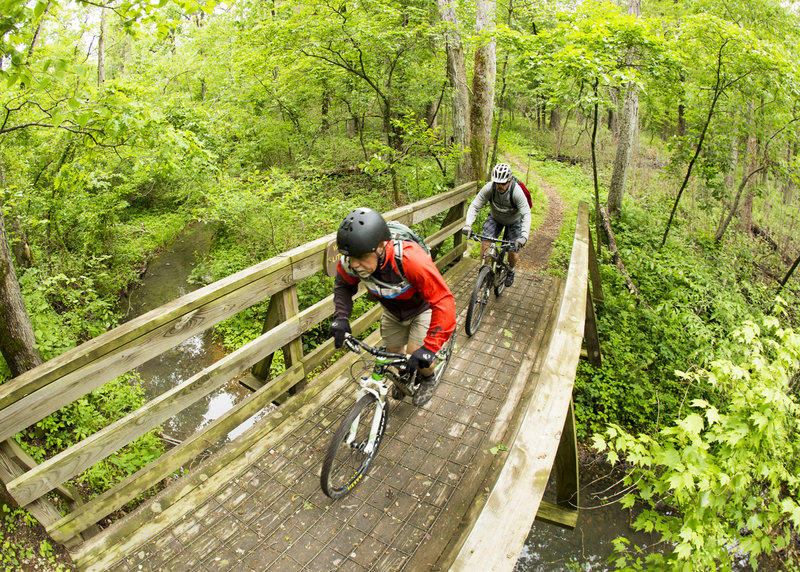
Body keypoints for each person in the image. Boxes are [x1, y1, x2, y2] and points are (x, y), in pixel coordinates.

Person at [330, 207, 456, 407]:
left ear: (380, 247)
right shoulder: (349, 262)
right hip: (392, 310)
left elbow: (443, 300)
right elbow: (343, 286)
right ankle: (403, 378)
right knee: (393, 355)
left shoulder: (409, 259)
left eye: (361, 257)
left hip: (422, 309)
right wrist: (341, 318)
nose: (354, 264)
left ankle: (428, 379)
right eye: (350, 257)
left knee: (418, 354)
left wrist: (430, 348)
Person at [462, 163, 532, 287]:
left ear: (509, 181)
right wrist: (468, 224)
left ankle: (510, 270)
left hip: (514, 221)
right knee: (485, 242)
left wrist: (524, 236)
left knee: (513, 253)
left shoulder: (517, 192)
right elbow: (475, 205)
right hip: (495, 218)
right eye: (497, 182)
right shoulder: (490, 188)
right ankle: (484, 270)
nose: (499, 186)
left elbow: (526, 214)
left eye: (503, 183)